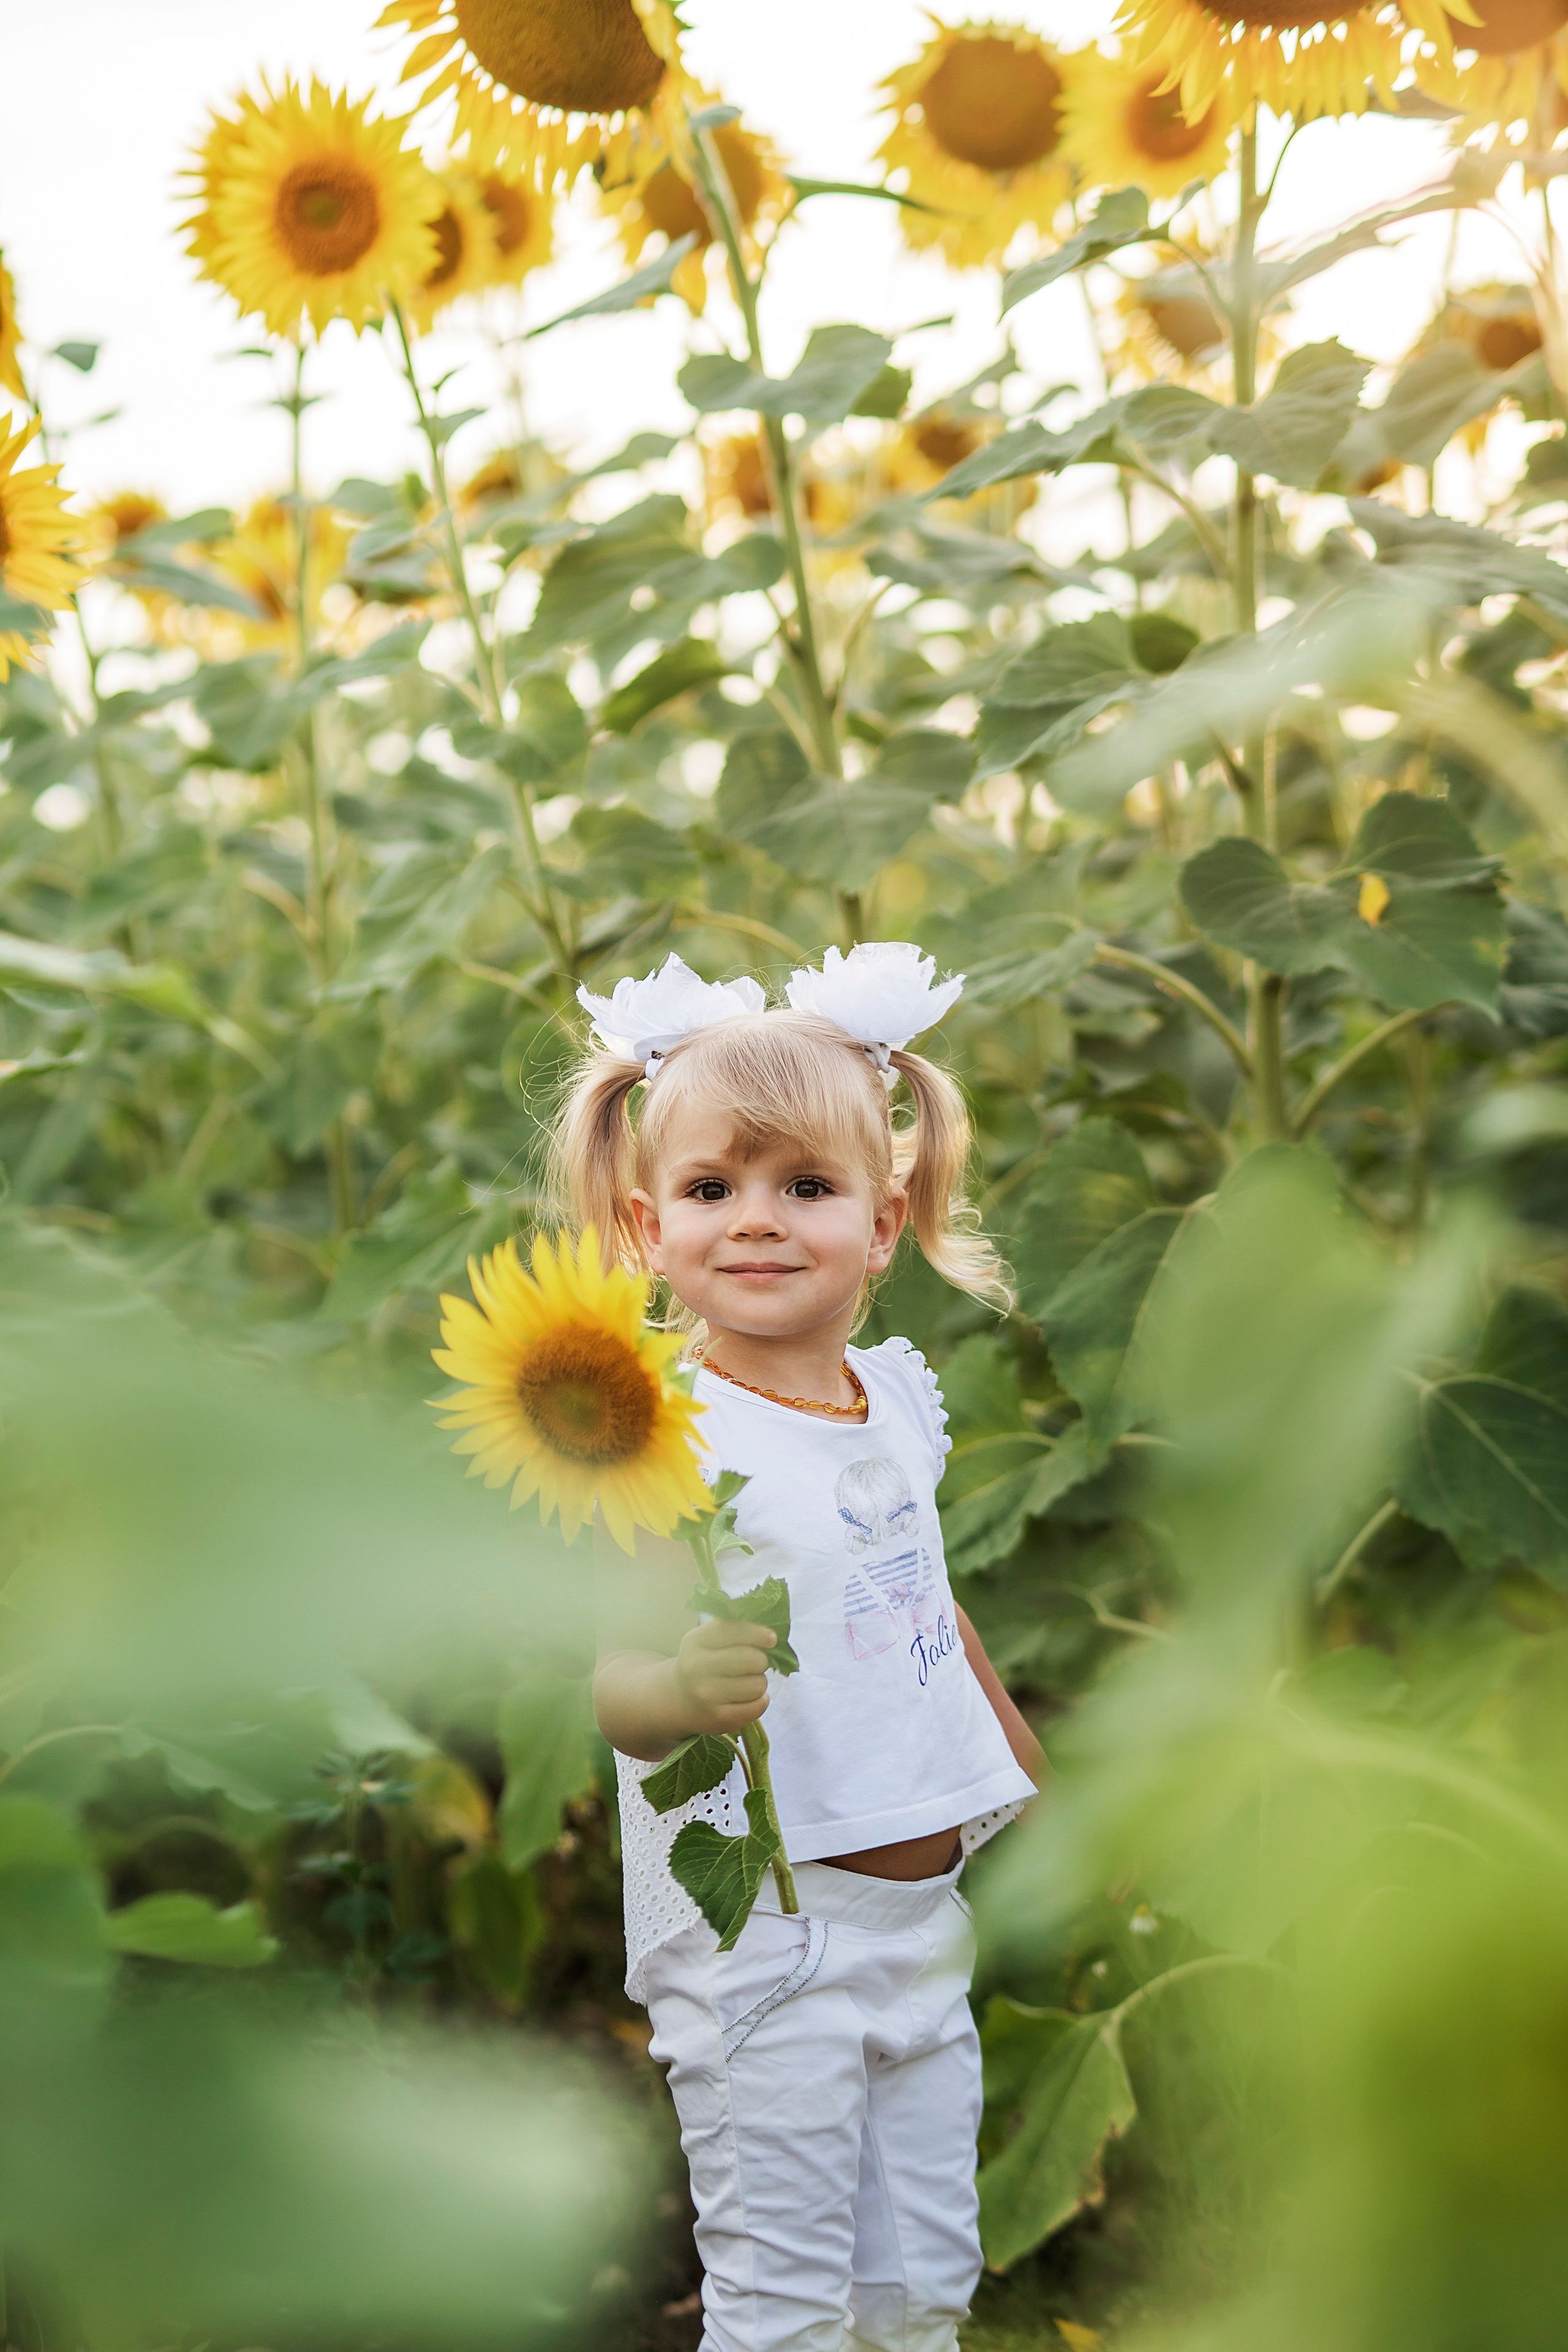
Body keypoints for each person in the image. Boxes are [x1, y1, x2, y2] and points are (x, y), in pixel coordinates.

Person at [564, 943, 1045, 2352]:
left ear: (884, 1223)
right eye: (713, 1190)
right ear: (649, 1227)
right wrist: (680, 1687)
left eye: (806, 1189)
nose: (758, 1223)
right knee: (784, 2305)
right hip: (764, 1928)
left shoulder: (888, 1401)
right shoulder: (665, 1437)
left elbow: (920, 1600)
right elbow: (620, 1690)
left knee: (919, 2289)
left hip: (921, 1919)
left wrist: (1015, 1758)